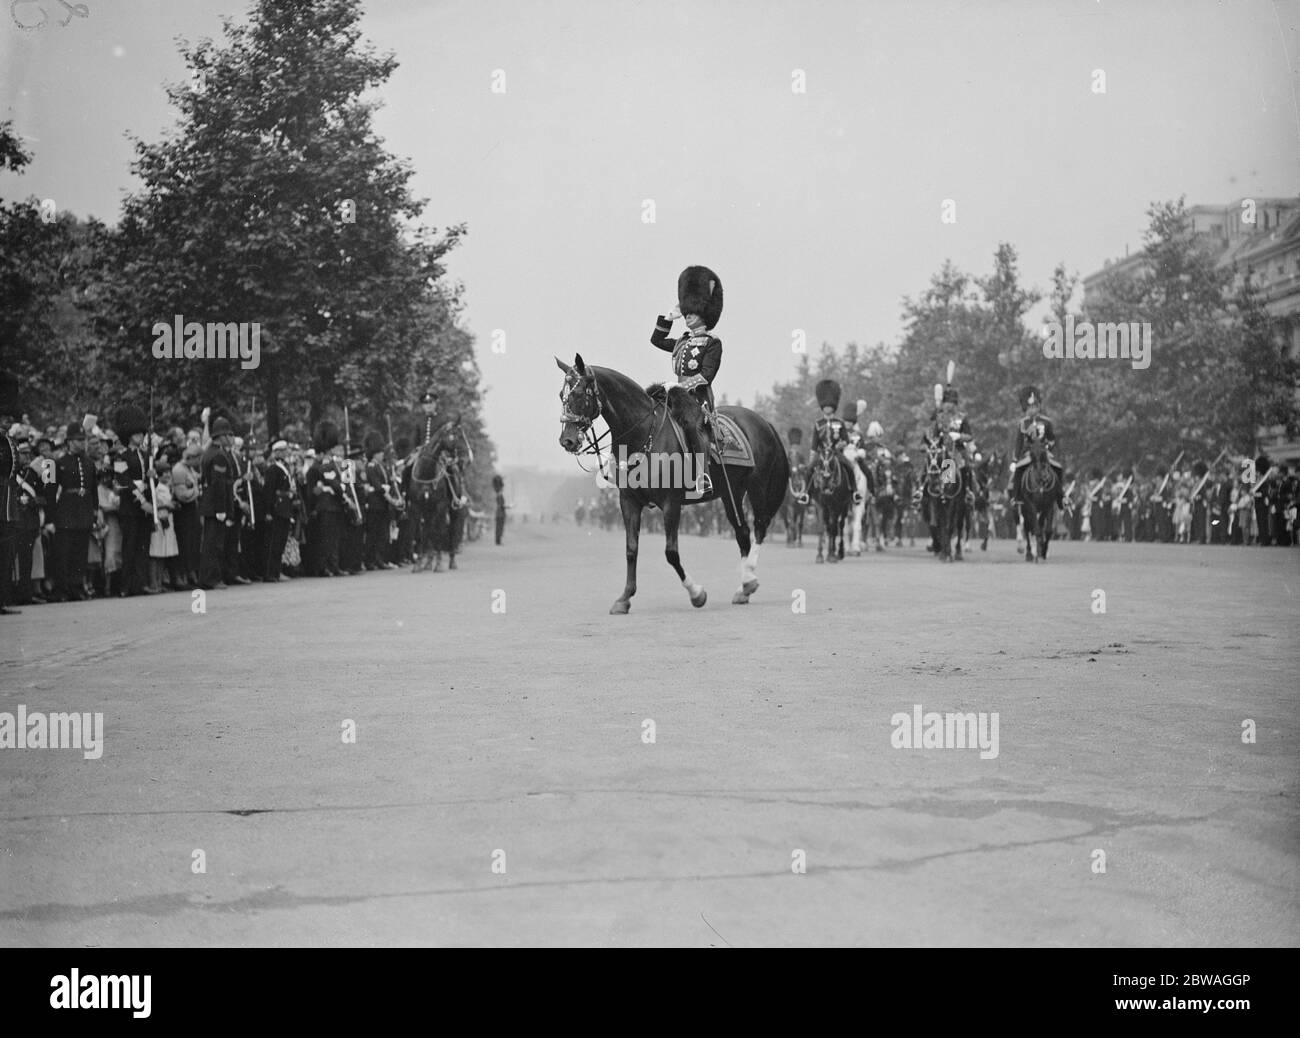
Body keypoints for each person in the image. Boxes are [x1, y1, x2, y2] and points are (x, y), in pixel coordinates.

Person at [651, 265, 723, 495]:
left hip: (697, 400)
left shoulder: (712, 342)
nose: (687, 314)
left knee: (693, 427)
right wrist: (668, 316)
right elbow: (656, 340)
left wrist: (679, 386)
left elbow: (706, 376)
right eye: (686, 310)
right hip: (675, 396)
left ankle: (703, 477)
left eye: (691, 310)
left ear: (704, 311)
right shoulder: (682, 341)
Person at [49, 423, 98, 602]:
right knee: (63, 554)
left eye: (82, 440)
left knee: (80, 553)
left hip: (84, 510)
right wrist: (51, 517)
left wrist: (94, 511)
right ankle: (61, 589)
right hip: (66, 512)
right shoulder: (59, 463)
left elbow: (93, 490)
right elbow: (51, 492)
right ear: (69, 441)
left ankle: (76, 587)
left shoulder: (89, 463)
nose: (81, 443)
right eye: (78, 440)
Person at [198, 416, 236, 589]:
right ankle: (211, 578)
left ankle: (208, 577)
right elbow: (218, 484)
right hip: (215, 505)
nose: (231, 438)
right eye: (229, 435)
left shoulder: (209, 453)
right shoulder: (219, 456)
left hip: (209, 504)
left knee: (210, 543)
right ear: (222, 436)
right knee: (214, 544)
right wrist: (222, 509)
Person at [493, 474, 507, 545]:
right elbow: (501, 505)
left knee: (499, 527)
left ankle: (498, 540)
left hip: (499, 513)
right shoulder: (499, 494)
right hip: (500, 513)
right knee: (499, 528)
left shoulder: (498, 494)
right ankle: (498, 541)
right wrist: (508, 506)